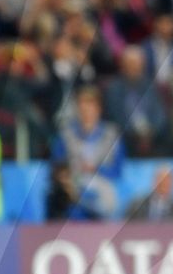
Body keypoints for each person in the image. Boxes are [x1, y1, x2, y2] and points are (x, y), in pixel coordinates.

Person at [51, 86, 124, 220]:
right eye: (82, 107)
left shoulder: (111, 135)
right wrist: (66, 179)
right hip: (73, 192)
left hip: (103, 192)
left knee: (107, 204)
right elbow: (57, 166)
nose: (86, 112)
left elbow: (117, 171)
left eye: (90, 107)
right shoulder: (66, 135)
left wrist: (96, 169)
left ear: (98, 109)